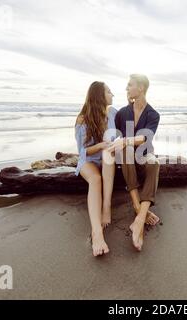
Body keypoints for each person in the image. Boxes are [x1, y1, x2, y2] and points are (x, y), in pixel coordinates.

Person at [108, 74, 160, 251]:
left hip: (144, 156)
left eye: (130, 85)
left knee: (154, 163)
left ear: (141, 88)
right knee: (125, 150)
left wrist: (126, 140)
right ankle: (139, 209)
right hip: (127, 159)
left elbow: (146, 137)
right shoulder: (122, 113)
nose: (126, 88)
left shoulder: (153, 114)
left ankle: (139, 219)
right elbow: (115, 138)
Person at [74, 81, 117, 256]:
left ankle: (106, 206)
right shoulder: (83, 118)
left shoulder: (112, 113)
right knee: (95, 179)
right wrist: (100, 145)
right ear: (99, 95)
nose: (112, 94)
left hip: (107, 159)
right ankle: (96, 232)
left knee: (109, 152)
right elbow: (82, 151)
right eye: (108, 91)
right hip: (88, 160)